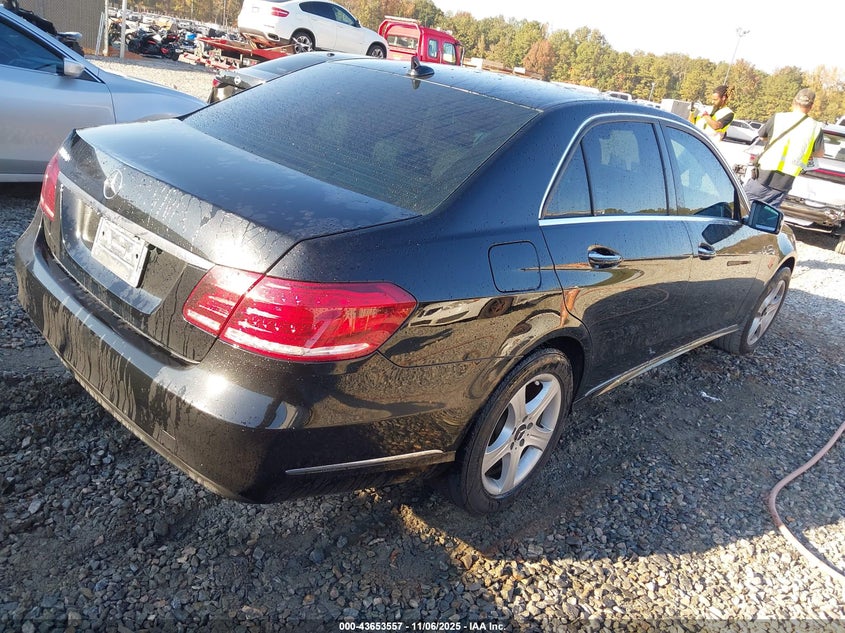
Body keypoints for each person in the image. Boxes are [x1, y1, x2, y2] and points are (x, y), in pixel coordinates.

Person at [744, 88, 825, 209]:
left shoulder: (778, 118)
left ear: (794, 102)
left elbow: (762, 136)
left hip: (763, 174)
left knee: (742, 208)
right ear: (811, 106)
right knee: (765, 218)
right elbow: (819, 153)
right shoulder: (815, 127)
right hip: (785, 181)